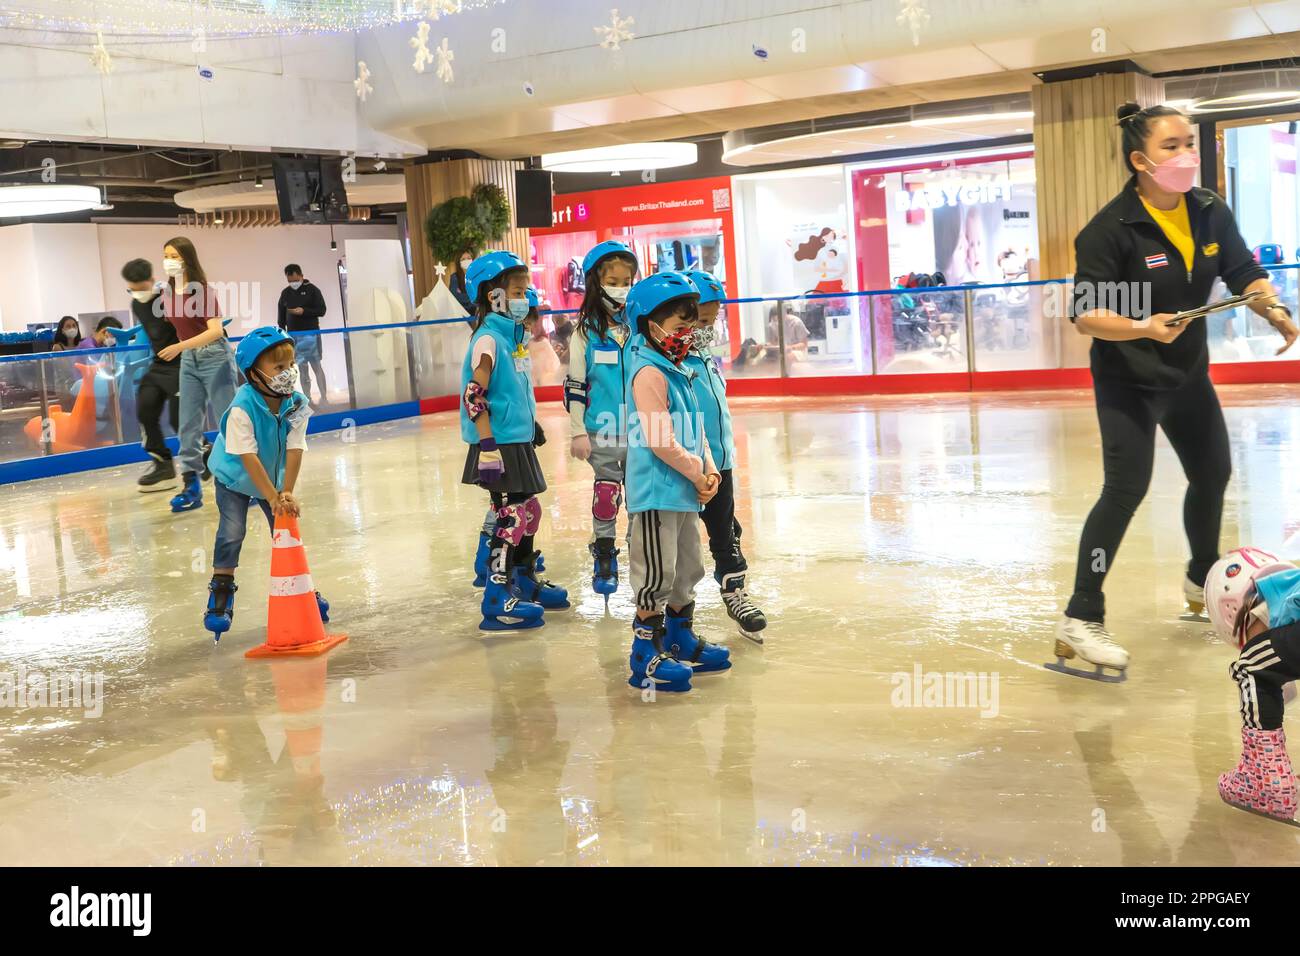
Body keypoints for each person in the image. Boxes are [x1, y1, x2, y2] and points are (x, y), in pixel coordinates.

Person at [1053, 102, 1299, 680]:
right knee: (1124, 490)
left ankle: (1202, 578)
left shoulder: (1209, 209)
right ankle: (1080, 614)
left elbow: (1241, 271)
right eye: (1171, 147)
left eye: (1189, 142)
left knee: (1212, 473)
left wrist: (1272, 307)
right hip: (1128, 381)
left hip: (1187, 374)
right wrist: (1141, 325)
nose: (1187, 155)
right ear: (1140, 160)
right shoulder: (1109, 229)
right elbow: (1086, 315)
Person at [623, 271, 728, 693]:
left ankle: (680, 637)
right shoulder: (648, 373)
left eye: (691, 325)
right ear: (650, 325)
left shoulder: (680, 369)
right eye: (679, 326)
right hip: (655, 494)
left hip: (685, 490)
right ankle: (645, 654)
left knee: (687, 567)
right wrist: (696, 471)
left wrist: (710, 468)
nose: (687, 334)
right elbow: (661, 441)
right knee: (656, 573)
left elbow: (696, 428)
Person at [461, 251, 568, 631]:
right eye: (519, 290)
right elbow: (475, 394)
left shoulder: (513, 337)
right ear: (494, 295)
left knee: (529, 513)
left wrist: (530, 424)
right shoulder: (488, 339)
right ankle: (496, 596)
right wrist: (488, 444)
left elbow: (514, 391)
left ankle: (523, 580)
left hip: (515, 439)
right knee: (510, 517)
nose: (526, 297)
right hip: (497, 445)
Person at [202, 326, 326, 641]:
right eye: (278, 367)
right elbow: (248, 459)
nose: (289, 372)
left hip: (272, 479)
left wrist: (285, 492)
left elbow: (296, 448)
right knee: (233, 532)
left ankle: (302, 589)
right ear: (254, 374)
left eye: (290, 364)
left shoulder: (297, 404)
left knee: (285, 531)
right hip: (236, 478)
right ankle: (221, 589)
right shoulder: (242, 408)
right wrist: (272, 496)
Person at [681, 270, 767, 641]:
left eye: (713, 319)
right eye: (701, 319)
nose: (709, 327)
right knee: (679, 546)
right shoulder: (666, 362)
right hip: (682, 466)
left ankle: (735, 593)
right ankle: (676, 616)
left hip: (721, 464)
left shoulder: (706, 356)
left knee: (726, 532)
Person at [564, 240, 639, 599]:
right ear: (596, 281)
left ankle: (641, 549)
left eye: (626, 281)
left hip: (642, 431)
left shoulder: (641, 327)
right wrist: (578, 431)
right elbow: (576, 386)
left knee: (641, 494)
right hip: (602, 430)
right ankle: (605, 552)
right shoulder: (584, 334)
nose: (620, 288)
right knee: (608, 493)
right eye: (613, 280)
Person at [1203, 547, 1299, 824]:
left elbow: (1259, 656)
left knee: (1252, 666)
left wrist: (1253, 651)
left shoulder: (1266, 597)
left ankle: (1266, 783)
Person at [157, 236, 238, 513]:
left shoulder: (201, 290)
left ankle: (242, 480)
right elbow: (181, 329)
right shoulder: (168, 293)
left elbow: (215, 330)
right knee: (187, 424)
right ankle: (191, 485)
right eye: (166, 255)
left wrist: (179, 346)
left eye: (175, 256)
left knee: (229, 422)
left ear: (187, 259)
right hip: (189, 360)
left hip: (215, 355)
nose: (169, 260)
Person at [121, 259, 182, 491]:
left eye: (140, 286)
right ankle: (162, 463)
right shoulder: (137, 306)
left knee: (180, 422)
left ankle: (206, 456)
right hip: (158, 365)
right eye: (132, 288)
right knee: (145, 409)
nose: (137, 293)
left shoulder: (169, 301)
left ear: (151, 280)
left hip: (182, 363)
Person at [276, 264, 328, 405]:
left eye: (295, 280)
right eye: (290, 281)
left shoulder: (312, 290)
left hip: (312, 334)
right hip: (294, 337)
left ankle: (324, 397)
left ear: (301, 275)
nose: (293, 283)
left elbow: (322, 310)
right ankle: (308, 399)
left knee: (316, 366)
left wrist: (304, 311)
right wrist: (283, 336)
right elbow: (281, 317)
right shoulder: (285, 293)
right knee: (302, 368)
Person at [449, 249, 475, 314]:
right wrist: (473, 298)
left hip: (477, 312)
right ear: (459, 262)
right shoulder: (455, 277)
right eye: (463, 259)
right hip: (461, 313)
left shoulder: (476, 276)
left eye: (469, 258)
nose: (466, 261)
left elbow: (481, 294)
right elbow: (456, 296)